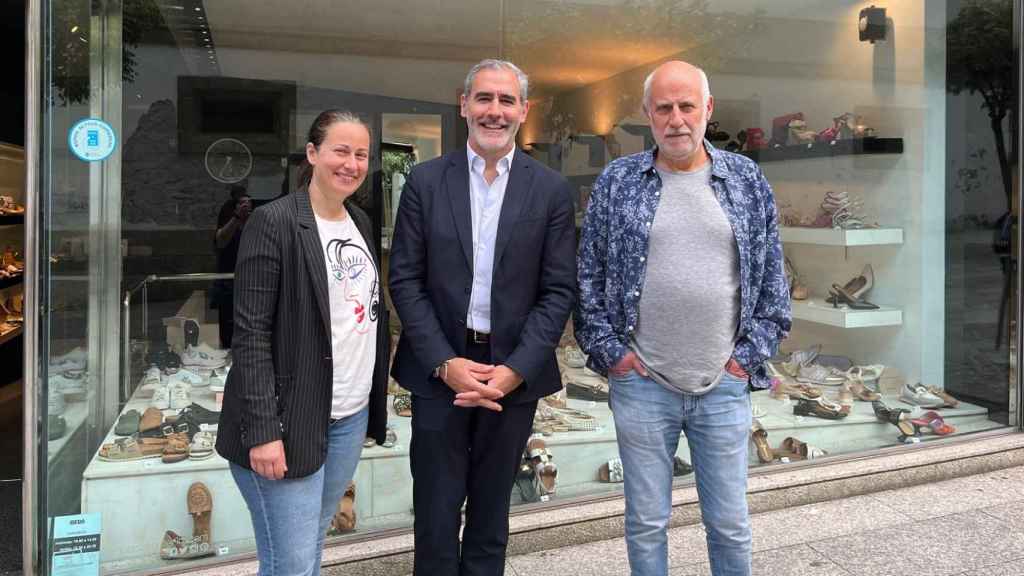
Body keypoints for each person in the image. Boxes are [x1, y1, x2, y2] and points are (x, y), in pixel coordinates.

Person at [574, 60, 791, 576]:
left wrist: (746, 359)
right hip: (643, 384)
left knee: (730, 522)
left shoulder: (745, 179)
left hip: (722, 384)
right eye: (664, 108)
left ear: (707, 110)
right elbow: (587, 275)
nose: (676, 119)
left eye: (687, 106)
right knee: (647, 522)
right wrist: (613, 355)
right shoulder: (619, 181)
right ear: (648, 115)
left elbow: (773, 282)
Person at [388, 59, 576, 576]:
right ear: (464, 103)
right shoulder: (425, 182)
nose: (495, 111)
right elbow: (405, 279)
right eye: (485, 99)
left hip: (512, 373)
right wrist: (447, 363)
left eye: (506, 100)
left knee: (493, 514)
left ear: (524, 110)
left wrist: (515, 370)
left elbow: (558, 290)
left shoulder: (551, 191)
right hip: (438, 369)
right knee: (435, 513)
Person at [215, 110, 388, 576]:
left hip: (348, 416)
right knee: (290, 562)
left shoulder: (360, 221)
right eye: (340, 150)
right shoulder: (274, 222)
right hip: (288, 419)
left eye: (360, 154)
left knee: (310, 539)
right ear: (312, 154)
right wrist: (263, 430)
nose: (351, 163)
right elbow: (248, 336)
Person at [212, 184, 252, 348]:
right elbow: (220, 241)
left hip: (248, 281)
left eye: (248, 203)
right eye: (242, 203)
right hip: (228, 281)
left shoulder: (253, 220)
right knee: (228, 329)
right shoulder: (228, 213)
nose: (246, 206)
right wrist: (236, 217)